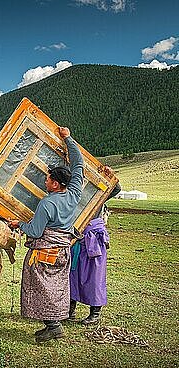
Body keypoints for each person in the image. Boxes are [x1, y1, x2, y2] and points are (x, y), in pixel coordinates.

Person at [9, 126, 84, 343]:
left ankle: (54, 326)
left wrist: (18, 224)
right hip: (62, 250)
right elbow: (79, 164)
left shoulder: (47, 204)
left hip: (44, 251)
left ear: (56, 183)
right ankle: (52, 325)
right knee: (56, 286)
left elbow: (35, 230)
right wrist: (68, 139)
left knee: (42, 286)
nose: (45, 181)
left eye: (48, 178)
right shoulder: (74, 193)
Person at [69, 171, 121, 325]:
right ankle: (69, 310)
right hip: (76, 237)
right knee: (72, 274)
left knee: (94, 275)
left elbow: (116, 189)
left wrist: (109, 175)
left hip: (93, 239)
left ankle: (95, 314)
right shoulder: (71, 192)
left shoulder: (98, 191)